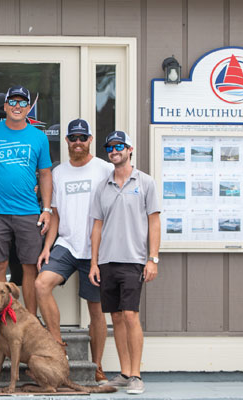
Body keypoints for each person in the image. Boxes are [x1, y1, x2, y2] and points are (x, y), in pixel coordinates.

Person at [35, 119, 113, 384]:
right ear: (66, 141)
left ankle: (97, 366)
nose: (77, 142)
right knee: (41, 284)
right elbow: (55, 214)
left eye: (82, 137)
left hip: (96, 249)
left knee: (96, 309)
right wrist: (48, 248)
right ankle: (57, 342)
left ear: (90, 140)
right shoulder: (59, 173)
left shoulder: (105, 169)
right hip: (67, 244)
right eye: (73, 138)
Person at [89, 130, 161, 395]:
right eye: (109, 146)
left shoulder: (145, 182)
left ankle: (136, 375)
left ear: (130, 149)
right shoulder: (102, 186)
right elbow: (97, 226)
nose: (114, 149)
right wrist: (94, 262)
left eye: (119, 145)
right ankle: (123, 372)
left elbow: (154, 222)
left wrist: (152, 258)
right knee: (116, 317)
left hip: (134, 260)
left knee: (131, 315)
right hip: (107, 261)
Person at [0, 85, 52, 315]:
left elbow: (44, 174)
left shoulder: (39, 138)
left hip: (29, 211)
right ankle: (0, 319)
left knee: (29, 267)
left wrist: (47, 209)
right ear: (5, 106)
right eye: (12, 101)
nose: (17, 106)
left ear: (29, 107)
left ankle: (30, 319)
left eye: (23, 102)